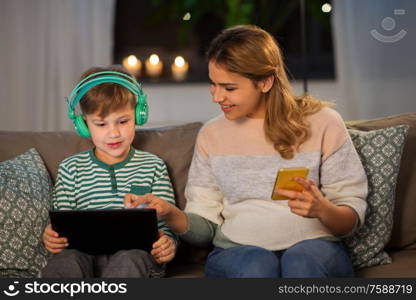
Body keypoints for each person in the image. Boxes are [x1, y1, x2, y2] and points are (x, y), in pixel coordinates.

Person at [125, 25, 368, 278]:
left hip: (317, 247)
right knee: (257, 266)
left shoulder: (324, 122)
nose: (217, 97)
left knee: (301, 263)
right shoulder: (211, 135)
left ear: (265, 82)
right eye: (213, 84)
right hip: (238, 253)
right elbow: (205, 229)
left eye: (229, 88)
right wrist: (169, 213)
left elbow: (350, 217)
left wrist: (322, 209)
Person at [41, 65, 177, 278]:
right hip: (83, 257)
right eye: (101, 124)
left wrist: (167, 243)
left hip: (136, 259)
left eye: (123, 121)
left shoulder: (154, 166)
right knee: (66, 261)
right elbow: (63, 224)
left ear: (138, 116)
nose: (114, 133)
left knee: (129, 259)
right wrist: (53, 237)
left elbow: (166, 224)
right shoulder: (70, 168)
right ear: (83, 125)